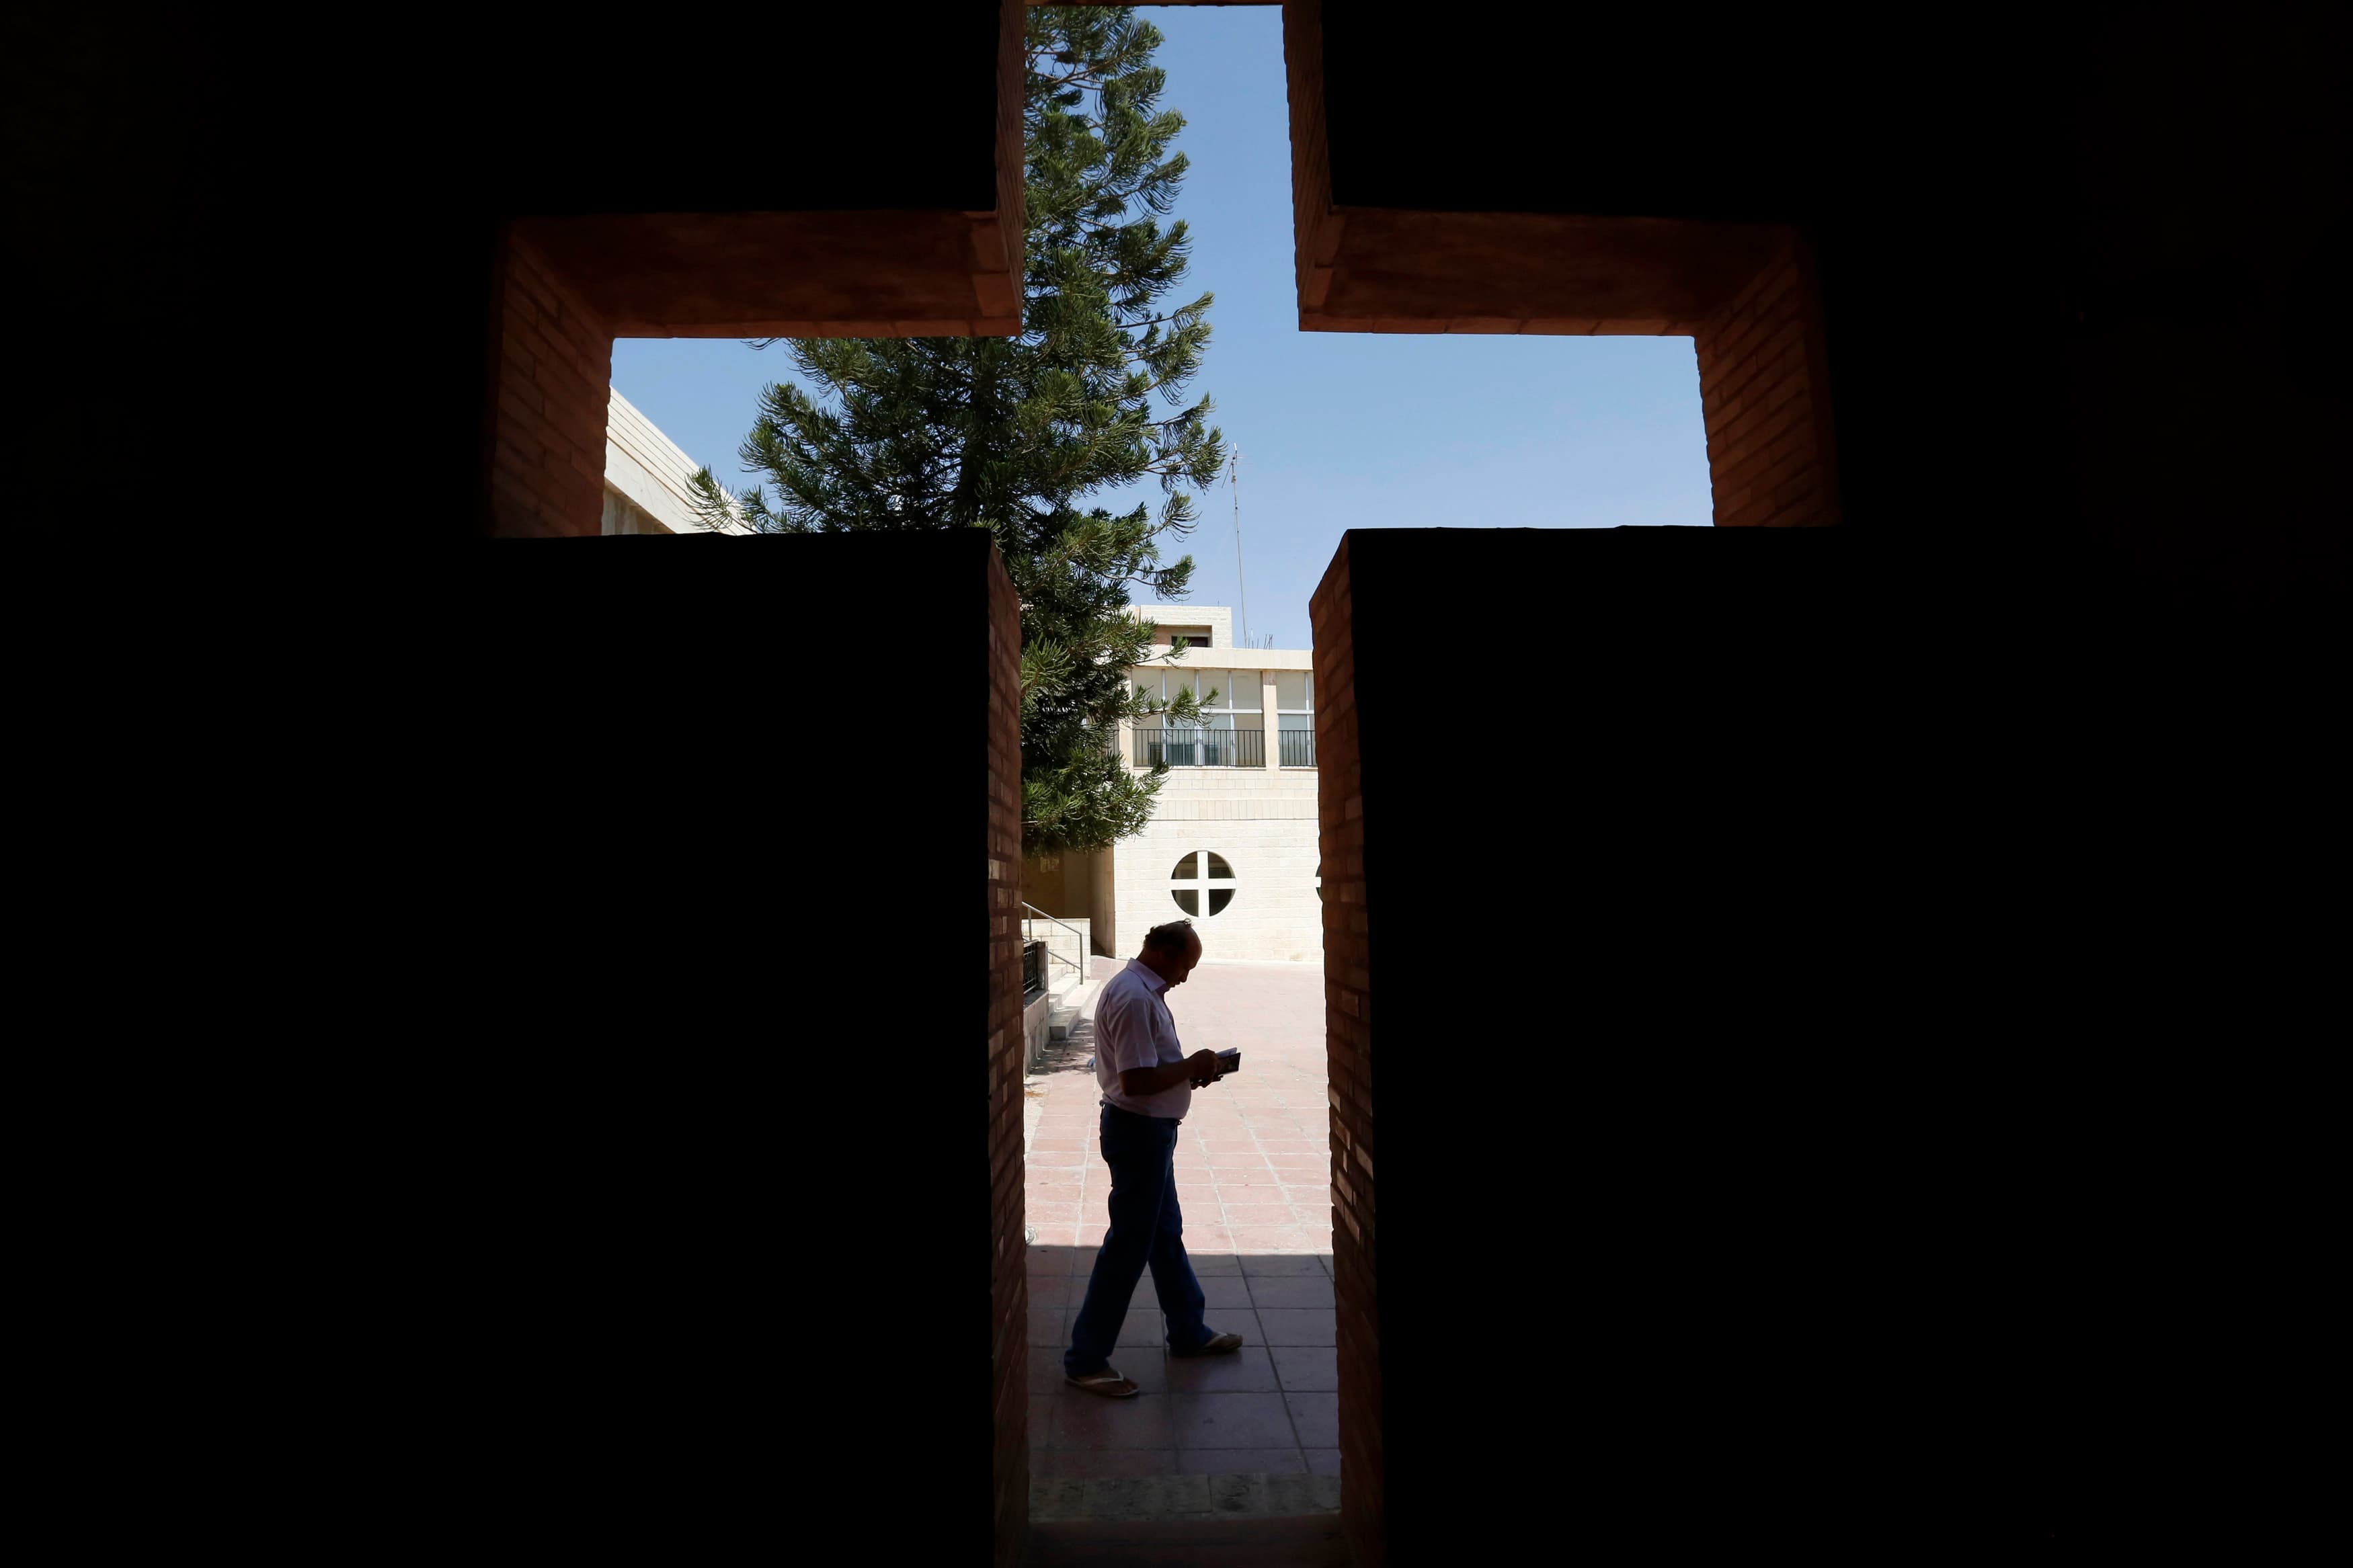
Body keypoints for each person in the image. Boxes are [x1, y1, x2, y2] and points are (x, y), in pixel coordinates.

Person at [1062, 919, 1244, 1397]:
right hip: (1138, 1134)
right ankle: (1086, 1358)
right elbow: (1137, 1081)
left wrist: (1189, 1074)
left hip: (1152, 1133)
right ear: (1162, 953)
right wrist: (1193, 1064)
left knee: (1163, 1234)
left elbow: (1150, 1070)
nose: (1186, 975)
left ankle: (1188, 1330)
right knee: (1129, 1245)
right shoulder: (1135, 997)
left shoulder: (1141, 990)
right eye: (1186, 964)